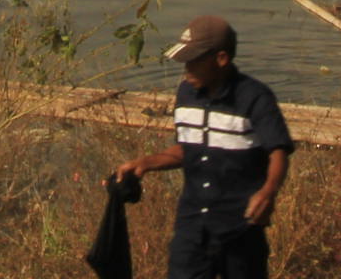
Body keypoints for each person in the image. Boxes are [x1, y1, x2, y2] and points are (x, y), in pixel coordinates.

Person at [111, 15, 294, 279]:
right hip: (192, 228)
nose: (186, 69)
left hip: (240, 228)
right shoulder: (186, 94)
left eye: (194, 61)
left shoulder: (255, 97)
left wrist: (268, 192)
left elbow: (278, 152)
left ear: (221, 59)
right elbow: (188, 148)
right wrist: (146, 163)